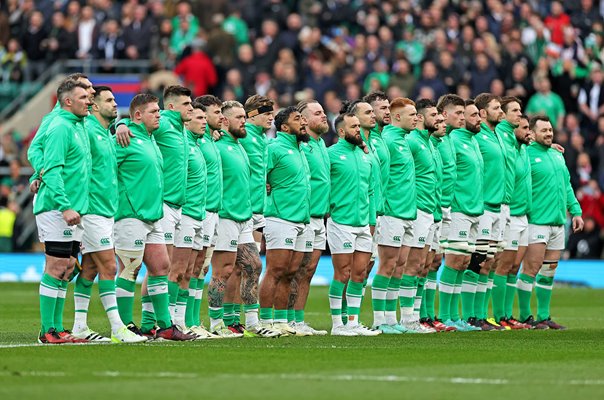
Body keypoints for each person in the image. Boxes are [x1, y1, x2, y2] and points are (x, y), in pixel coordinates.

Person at [113, 93, 194, 341]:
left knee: (161, 266)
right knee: (129, 269)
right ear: (138, 115)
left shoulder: (151, 139)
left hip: (153, 214)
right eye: (154, 112)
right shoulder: (125, 138)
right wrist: (120, 124)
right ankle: (125, 326)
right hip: (130, 214)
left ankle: (165, 326)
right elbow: (101, 167)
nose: (159, 115)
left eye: (159, 111)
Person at [70, 86, 146, 343]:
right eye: (109, 100)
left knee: (90, 269)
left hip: (106, 210)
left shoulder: (104, 132)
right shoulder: (87, 131)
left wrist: (121, 123)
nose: (115, 104)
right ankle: (117, 327)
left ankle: (79, 325)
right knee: (110, 265)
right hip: (91, 210)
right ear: (93, 105)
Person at [208, 100, 279, 338]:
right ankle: (217, 323)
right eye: (239, 118)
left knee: (253, 265)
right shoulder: (217, 145)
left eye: (244, 116)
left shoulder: (240, 145)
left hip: (244, 216)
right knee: (223, 271)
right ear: (225, 121)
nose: (244, 121)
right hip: (225, 216)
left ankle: (251, 322)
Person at [32, 79, 92, 344]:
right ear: (68, 101)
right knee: (57, 266)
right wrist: (65, 205)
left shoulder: (77, 125)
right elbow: (53, 168)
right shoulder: (59, 126)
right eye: (83, 97)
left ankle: (57, 328)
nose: (89, 99)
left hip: (74, 208)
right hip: (58, 208)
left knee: (67, 267)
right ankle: (48, 330)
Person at [517, 115, 584, 330]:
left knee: (549, 271)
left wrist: (576, 211)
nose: (548, 133)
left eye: (550, 130)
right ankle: (526, 316)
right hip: (536, 221)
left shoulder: (558, 155)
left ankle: (544, 316)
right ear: (533, 134)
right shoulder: (525, 154)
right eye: (543, 130)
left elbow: (566, 187)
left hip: (558, 222)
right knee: (531, 268)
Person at [258, 106, 312, 336]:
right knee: (275, 270)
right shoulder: (274, 147)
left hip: (301, 219)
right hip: (280, 218)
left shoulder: (300, 148)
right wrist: (265, 189)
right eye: (298, 119)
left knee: (291, 272)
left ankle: (281, 321)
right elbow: (259, 175)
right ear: (284, 127)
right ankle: (264, 321)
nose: (303, 122)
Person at [327, 112, 379, 336]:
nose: (358, 129)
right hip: (341, 222)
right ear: (341, 131)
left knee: (360, 274)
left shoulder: (365, 155)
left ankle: (353, 322)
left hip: (362, 224)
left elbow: (370, 190)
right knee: (343, 273)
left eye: (359, 125)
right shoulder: (331, 154)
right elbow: (319, 183)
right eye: (353, 126)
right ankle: (337, 324)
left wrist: (370, 220)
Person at [371, 97, 419, 334]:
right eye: (412, 114)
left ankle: (392, 319)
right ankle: (379, 319)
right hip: (392, 213)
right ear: (397, 117)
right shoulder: (388, 139)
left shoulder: (404, 140)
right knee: (388, 264)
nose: (416, 118)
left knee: (399, 266)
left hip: (408, 212)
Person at [440, 99, 484, 332]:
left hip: (475, 209)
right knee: (454, 260)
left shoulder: (472, 140)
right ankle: (445, 314)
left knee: (465, 261)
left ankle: (455, 315)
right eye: (470, 114)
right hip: (458, 208)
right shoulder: (453, 140)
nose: (477, 118)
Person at [463, 93, 506, 331]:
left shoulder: (497, 135)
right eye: (496, 108)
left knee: (489, 262)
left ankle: (481, 314)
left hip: (497, 206)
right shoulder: (478, 136)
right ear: (483, 112)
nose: (500, 112)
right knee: (477, 261)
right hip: (483, 206)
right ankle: (470, 315)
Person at [288, 99, 330, 336]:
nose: (324, 116)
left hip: (319, 216)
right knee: (293, 269)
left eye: (323, 111)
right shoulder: (299, 145)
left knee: (309, 270)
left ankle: (297, 319)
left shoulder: (322, 144)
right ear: (303, 119)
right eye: (317, 113)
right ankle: (281, 318)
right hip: (300, 216)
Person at [174, 100, 215, 339]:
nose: (204, 122)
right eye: (199, 118)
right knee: (176, 269)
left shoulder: (200, 143)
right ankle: (167, 321)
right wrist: (121, 125)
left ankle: (185, 321)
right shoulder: (180, 142)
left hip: (200, 212)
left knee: (193, 269)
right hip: (185, 213)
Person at [492, 98, 532, 329]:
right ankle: (499, 315)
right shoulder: (502, 139)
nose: (519, 117)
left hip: (520, 213)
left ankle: (506, 314)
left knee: (513, 267)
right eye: (515, 112)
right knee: (503, 265)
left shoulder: (521, 148)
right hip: (509, 210)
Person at [405, 98, 441, 333]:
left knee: (424, 266)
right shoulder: (412, 142)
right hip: (416, 209)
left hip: (431, 210)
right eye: (434, 115)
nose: (438, 119)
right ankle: (407, 319)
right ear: (419, 118)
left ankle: (416, 318)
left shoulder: (429, 142)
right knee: (412, 266)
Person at [190, 95, 224, 334]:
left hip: (212, 211)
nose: (220, 116)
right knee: (183, 267)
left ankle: (192, 320)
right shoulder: (193, 140)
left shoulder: (211, 139)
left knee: (201, 268)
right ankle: (175, 320)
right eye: (215, 112)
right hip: (195, 211)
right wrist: (121, 123)